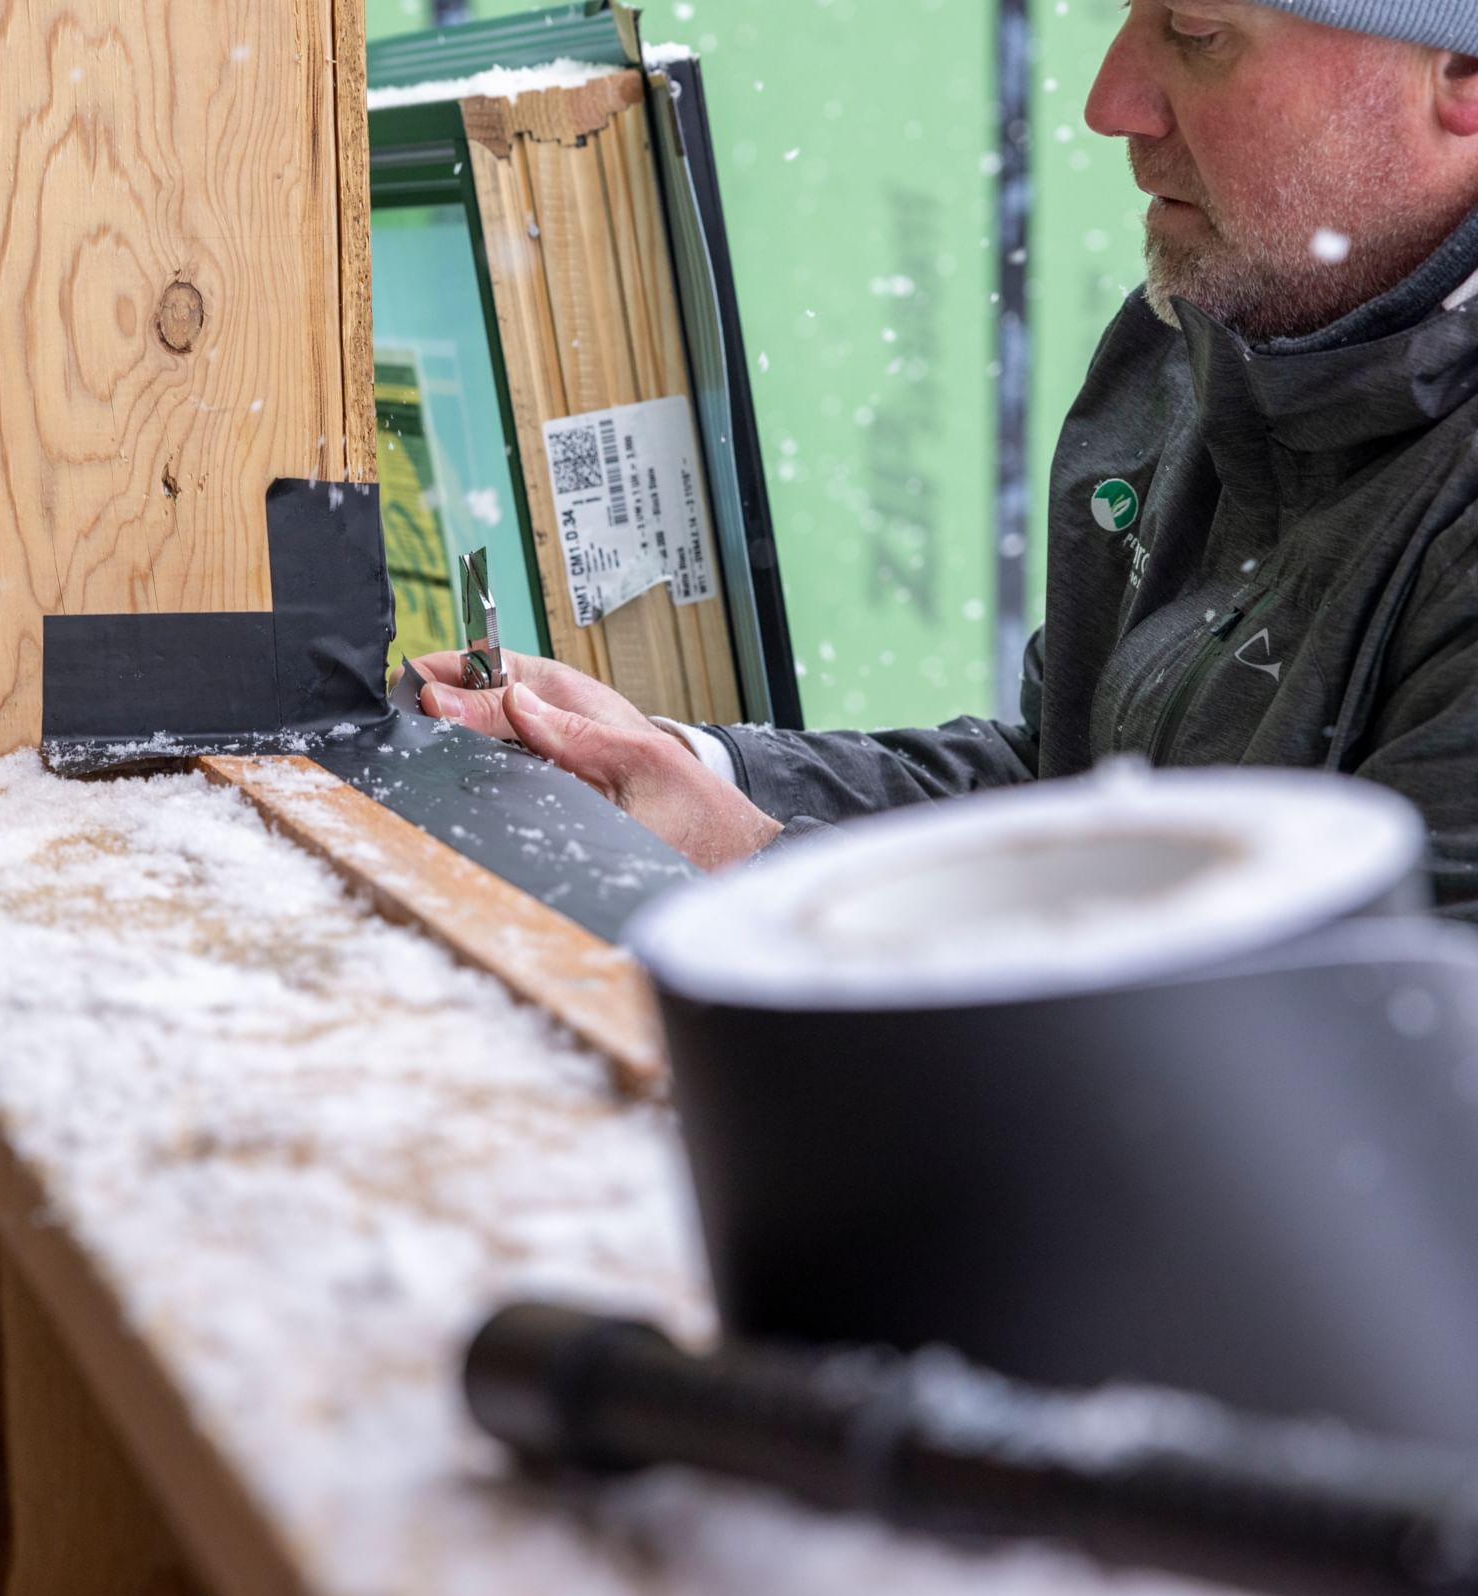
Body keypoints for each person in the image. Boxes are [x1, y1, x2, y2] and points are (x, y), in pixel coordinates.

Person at [411, 0, 1478, 916]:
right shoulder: (1203, 343)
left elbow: (1355, 1049)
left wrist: (772, 873)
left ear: (1462, 73)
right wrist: (690, 769)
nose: (1110, 101)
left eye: (1197, 32)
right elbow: (1067, 801)